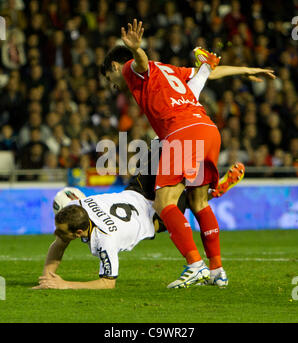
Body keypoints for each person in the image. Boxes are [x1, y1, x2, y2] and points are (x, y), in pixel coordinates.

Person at [101, 19, 275, 288]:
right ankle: (217, 271)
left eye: (109, 78)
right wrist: (247, 69)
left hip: (181, 132)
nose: (113, 85)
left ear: (114, 67)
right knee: (199, 202)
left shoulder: (130, 70)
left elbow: (141, 63)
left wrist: (135, 49)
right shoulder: (170, 71)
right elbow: (208, 73)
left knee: (164, 202)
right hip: (207, 128)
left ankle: (195, 265)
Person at [33, 158, 244, 290]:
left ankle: (210, 193)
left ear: (79, 232)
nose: (56, 234)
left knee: (191, 198)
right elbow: (59, 243)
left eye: (61, 231)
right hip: (137, 192)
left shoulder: (104, 241)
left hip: (152, 213)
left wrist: (64, 285)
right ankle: (208, 186)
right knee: (164, 148)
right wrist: (46, 277)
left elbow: (107, 283)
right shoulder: (79, 204)